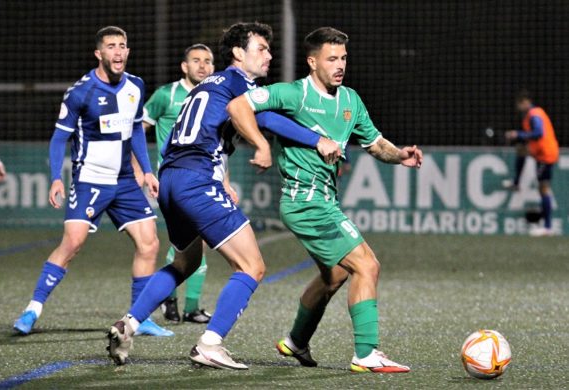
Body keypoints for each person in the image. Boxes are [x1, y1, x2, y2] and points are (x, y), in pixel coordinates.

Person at [107, 22, 341, 369]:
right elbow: (268, 120)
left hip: (172, 179)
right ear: (237, 54)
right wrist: (314, 140)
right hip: (196, 181)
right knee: (252, 266)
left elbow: (246, 119)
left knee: (185, 262)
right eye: (261, 48)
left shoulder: (209, 84)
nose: (269, 56)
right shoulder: (237, 84)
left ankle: (128, 324)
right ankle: (210, 343)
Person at [227, 27, 424, 373]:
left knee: (334, 276)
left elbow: (375, 143)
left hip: (324, 200)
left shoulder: (350, 100)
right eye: (332, 58)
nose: (340, 65)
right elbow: (239, 105)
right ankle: (366, 353)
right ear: (312, 61)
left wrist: (400, 155)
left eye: (344, 58)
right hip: (305, 201)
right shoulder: (295, 94)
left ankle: (296, 341)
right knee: (367, 265)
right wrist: (261, 145)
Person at [13, 26, 172, 337]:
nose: (117, 52)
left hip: (126, 181)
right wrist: (56, 178)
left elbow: (136, 130)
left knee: (150, 243)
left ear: (128, 51)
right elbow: (60, 138)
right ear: (99, 53)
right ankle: (33, 309)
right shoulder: (80, 92)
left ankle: (139, 318)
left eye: (122, 46)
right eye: (111, 46)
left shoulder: (136, 86)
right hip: (90, 180)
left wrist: (148, 170)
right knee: (72, 243)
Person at [139, 44, 217, 324]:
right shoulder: (166, 95)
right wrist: (142, 168)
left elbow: (218, 146)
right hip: (175, 180)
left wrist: (226, 181)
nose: (202, 66)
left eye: (208, 61)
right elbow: (139, 128)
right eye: (196, 60)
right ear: (184, 66)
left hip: (203, 178)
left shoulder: (214, 97)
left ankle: (175, 301)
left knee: (192, 242)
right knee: (195, 240)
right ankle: (183, 303)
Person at [506, 90, 559, 236]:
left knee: (543, 188)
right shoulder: (532, 115)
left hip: (545, 155)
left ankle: (547, 227)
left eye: (519, 104)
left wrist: (518, 134)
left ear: (525, 102)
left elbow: (538, 133)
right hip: (540, 153)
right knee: (521, 150)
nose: (518, 108)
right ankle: (516, 182)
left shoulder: (534, 114)